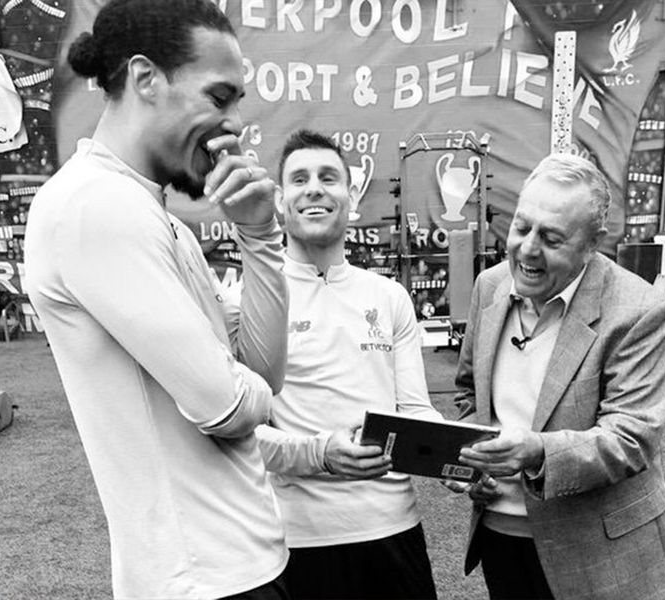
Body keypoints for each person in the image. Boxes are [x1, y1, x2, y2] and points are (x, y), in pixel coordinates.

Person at [24, 1, 290, 598]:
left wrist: (261, 237)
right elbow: (226, 407)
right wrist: (240, 382)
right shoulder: (94, 206)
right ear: (145, 78)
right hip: (200, 583)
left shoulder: (151, 211)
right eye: (220, 98)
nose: (235, 125)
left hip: (242, 567)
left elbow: (267, 370)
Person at [449, 153, 665, 600]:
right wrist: (471, 455)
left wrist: (537, 452)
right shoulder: (490, 287)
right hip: (501, 536)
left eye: (552, 238)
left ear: (592, 243)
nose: (527, 249)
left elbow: (631, 438)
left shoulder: (641, 311)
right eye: (522, 227)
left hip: (603, 553)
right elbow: (469, 394)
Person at [256, 129, 441, 600]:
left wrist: (453, 455)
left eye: (328, 177)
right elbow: (242, 437)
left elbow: (415, 410)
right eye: (299, 179)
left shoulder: (389, 296)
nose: (314, 188)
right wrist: (321, 453)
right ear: (280, 200)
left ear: (351, 196)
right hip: (299, 542)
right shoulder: (253, 299)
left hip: (394, 532)